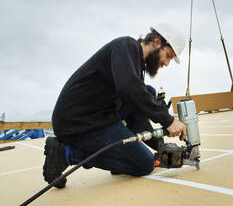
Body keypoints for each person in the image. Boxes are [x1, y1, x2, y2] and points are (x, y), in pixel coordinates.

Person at [44, 24, 187, 188]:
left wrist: (160, 145)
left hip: (98, 115)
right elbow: (129, 88)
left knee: (147, 91)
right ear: (156, 42)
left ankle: (120, 159)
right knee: (145, 164)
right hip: (78, 121)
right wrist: (168, 121)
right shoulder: (126, 46)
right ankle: (65, 153)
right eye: (168, 55)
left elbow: (138, 113)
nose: (166, 63)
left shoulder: (135, 65)